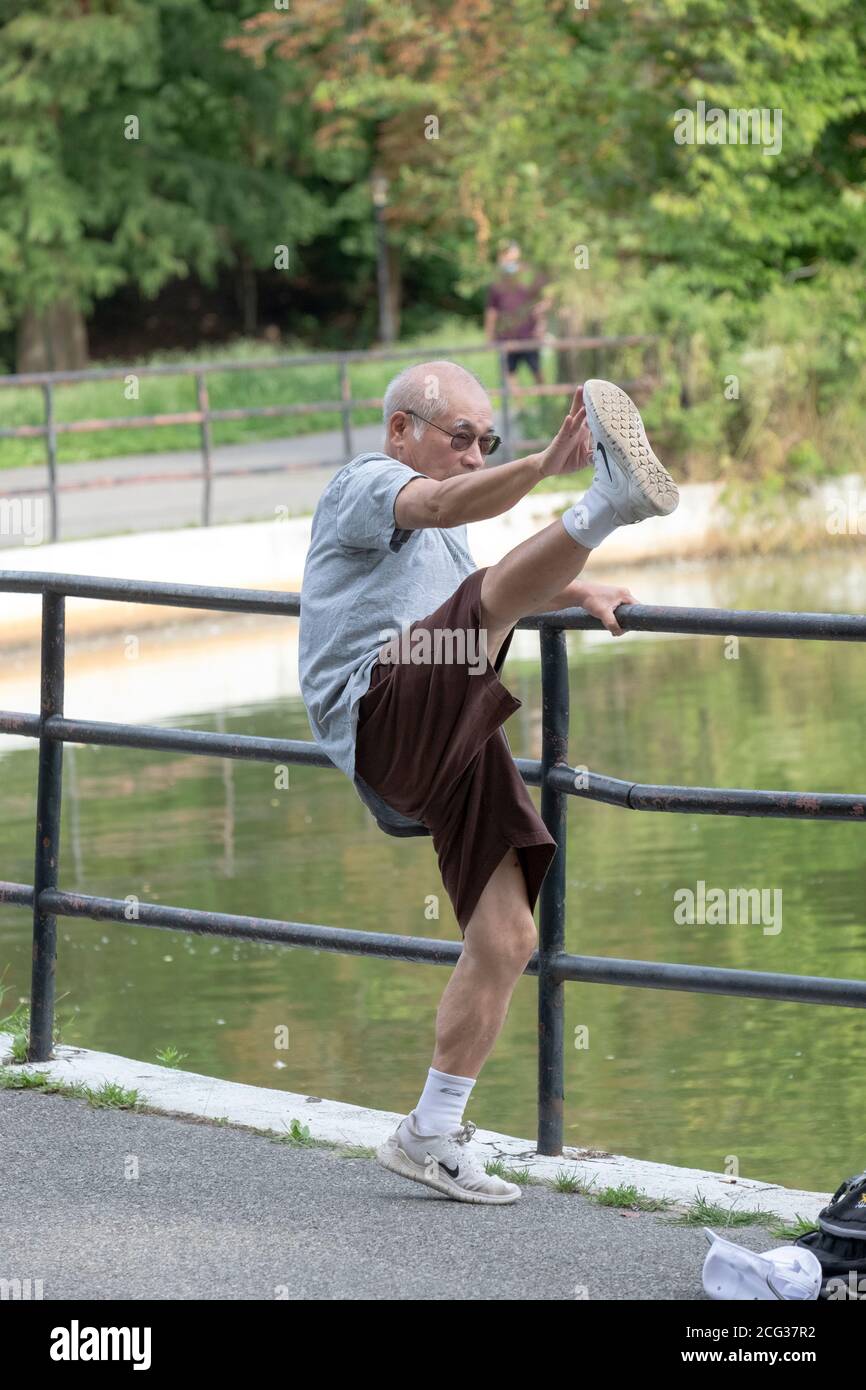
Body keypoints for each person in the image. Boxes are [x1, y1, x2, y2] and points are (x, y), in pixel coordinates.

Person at [297, 362, 679, 1204]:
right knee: (477, 606)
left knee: (508, 936)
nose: (475, 455)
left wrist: (571, 587)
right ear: (400, 430)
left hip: (450, 723)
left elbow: (483, 590)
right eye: (460, 437)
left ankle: (429, 1134)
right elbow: (449, 530)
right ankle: (608, 503)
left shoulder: (449, 531)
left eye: (488, 441)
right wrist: (546, 467)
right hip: (377, 711)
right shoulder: (366, 483)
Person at [484, 241, 552, 397]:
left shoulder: (529, 276)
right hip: (506, 337)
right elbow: (492, 311)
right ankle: (520, 407)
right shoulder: (496, 282)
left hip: (528, 335)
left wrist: (542, 321)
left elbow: (547, 295)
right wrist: (489, 336)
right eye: (506, 257)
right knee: (509, 373)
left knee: (536, 370)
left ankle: (545, 402)